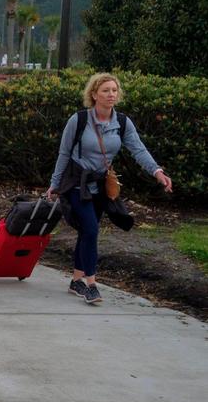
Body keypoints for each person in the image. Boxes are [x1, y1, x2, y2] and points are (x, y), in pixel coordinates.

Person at [47, 72, 173, 305]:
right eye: (105, 90)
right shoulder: (79, 120)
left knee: (87, 231)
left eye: (114, 90)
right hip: (76, 183)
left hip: (100, 186)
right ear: (94, 95)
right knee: (92, 230)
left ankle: (76, 281)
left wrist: (157, 172)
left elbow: (138, 150)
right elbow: (64, 153)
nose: (111, 94)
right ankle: (91, 285)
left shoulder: (122, 123)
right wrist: (55, 184)